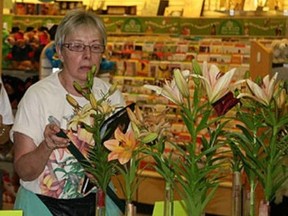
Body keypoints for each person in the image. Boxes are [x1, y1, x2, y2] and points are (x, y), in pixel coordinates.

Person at [11, 9, 125, 216]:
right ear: (60, 52)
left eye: (95, 47)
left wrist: (105, 167)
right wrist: (46, 146)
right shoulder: (37, 96)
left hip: (97, 204)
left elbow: (122, 161)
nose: (87, 55)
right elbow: (24, 171)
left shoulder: (111, 97)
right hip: (42, 207)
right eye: (77, 46)